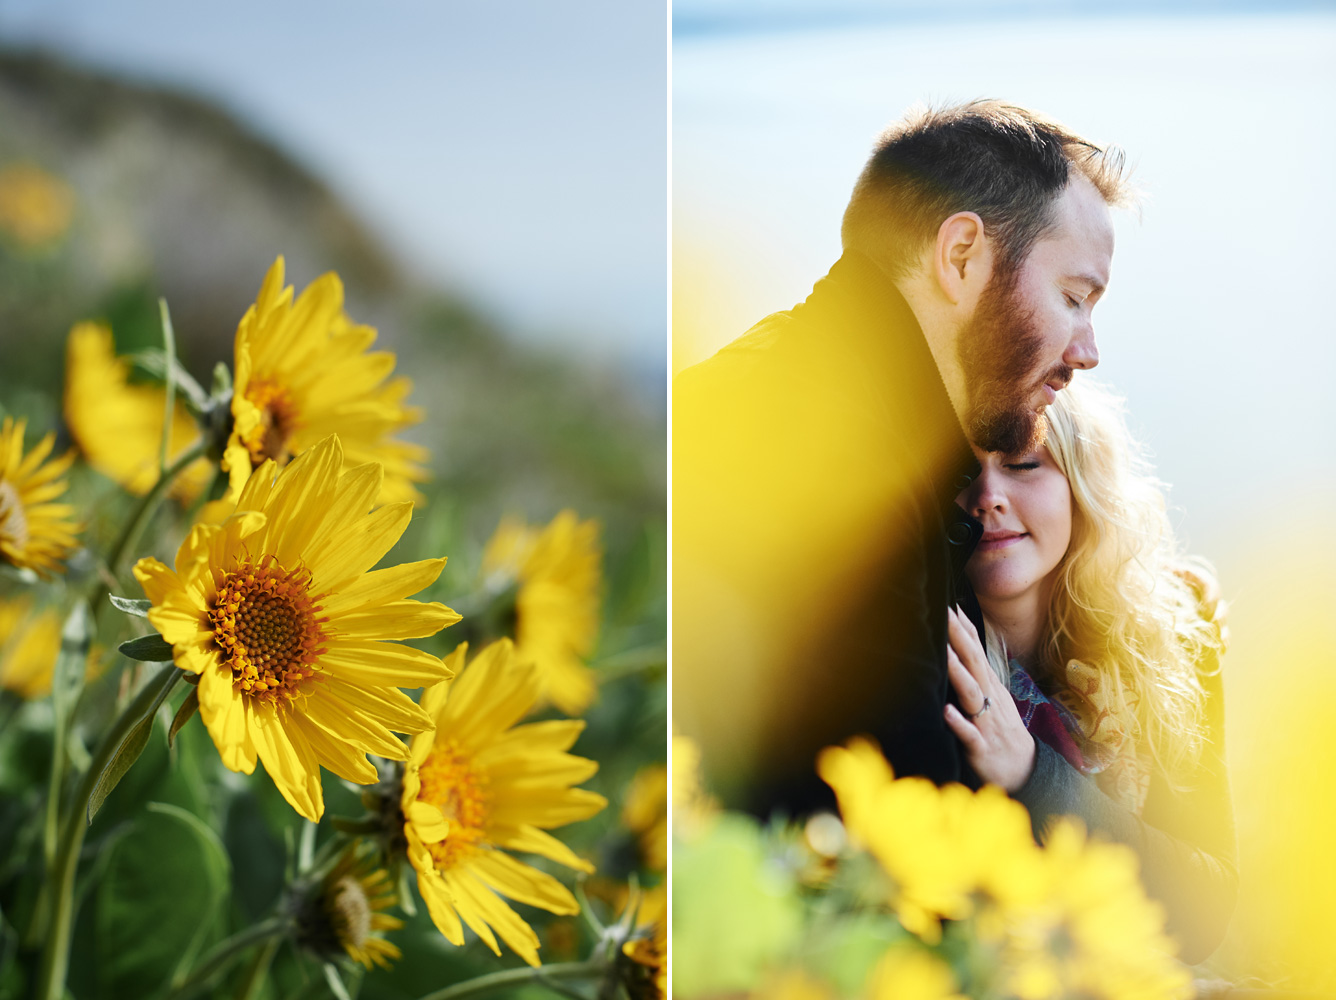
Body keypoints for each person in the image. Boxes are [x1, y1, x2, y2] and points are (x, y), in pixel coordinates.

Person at [674, 100, 1131, 814]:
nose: (1087, 351)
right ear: (960, 256)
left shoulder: (776, 376)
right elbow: (885, 842)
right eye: (1073, 297)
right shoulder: (850, 478)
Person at [947, 378, 1235, 963]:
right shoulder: (918, 651)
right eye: (960, 473)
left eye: (1023, 463)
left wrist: (1034, 773)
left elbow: (1205, 907)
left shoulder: (1171, 636)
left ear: (1082, 485)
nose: (987, 496)